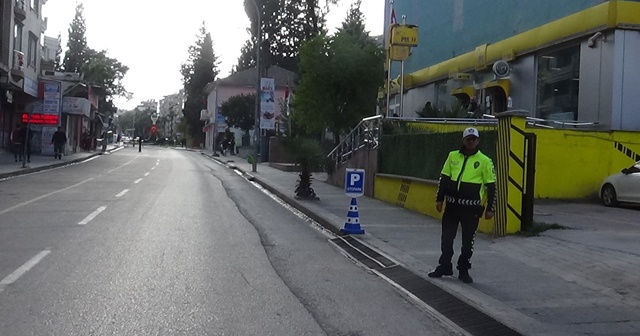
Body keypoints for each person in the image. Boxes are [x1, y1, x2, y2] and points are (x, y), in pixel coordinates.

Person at [428, 127, 496, 284]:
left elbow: (492, 186)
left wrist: (490, 208)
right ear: (463, 140)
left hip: (471, 209)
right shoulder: (452, 156)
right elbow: (444, 179)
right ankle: (444, 265)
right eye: (468, 138)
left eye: (474, 139)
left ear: (478, 141)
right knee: (446, 238)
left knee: (468, 242)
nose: (471, 141)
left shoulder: (485, 161)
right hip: (452, 207)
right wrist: (439, 199)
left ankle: (463, 269)